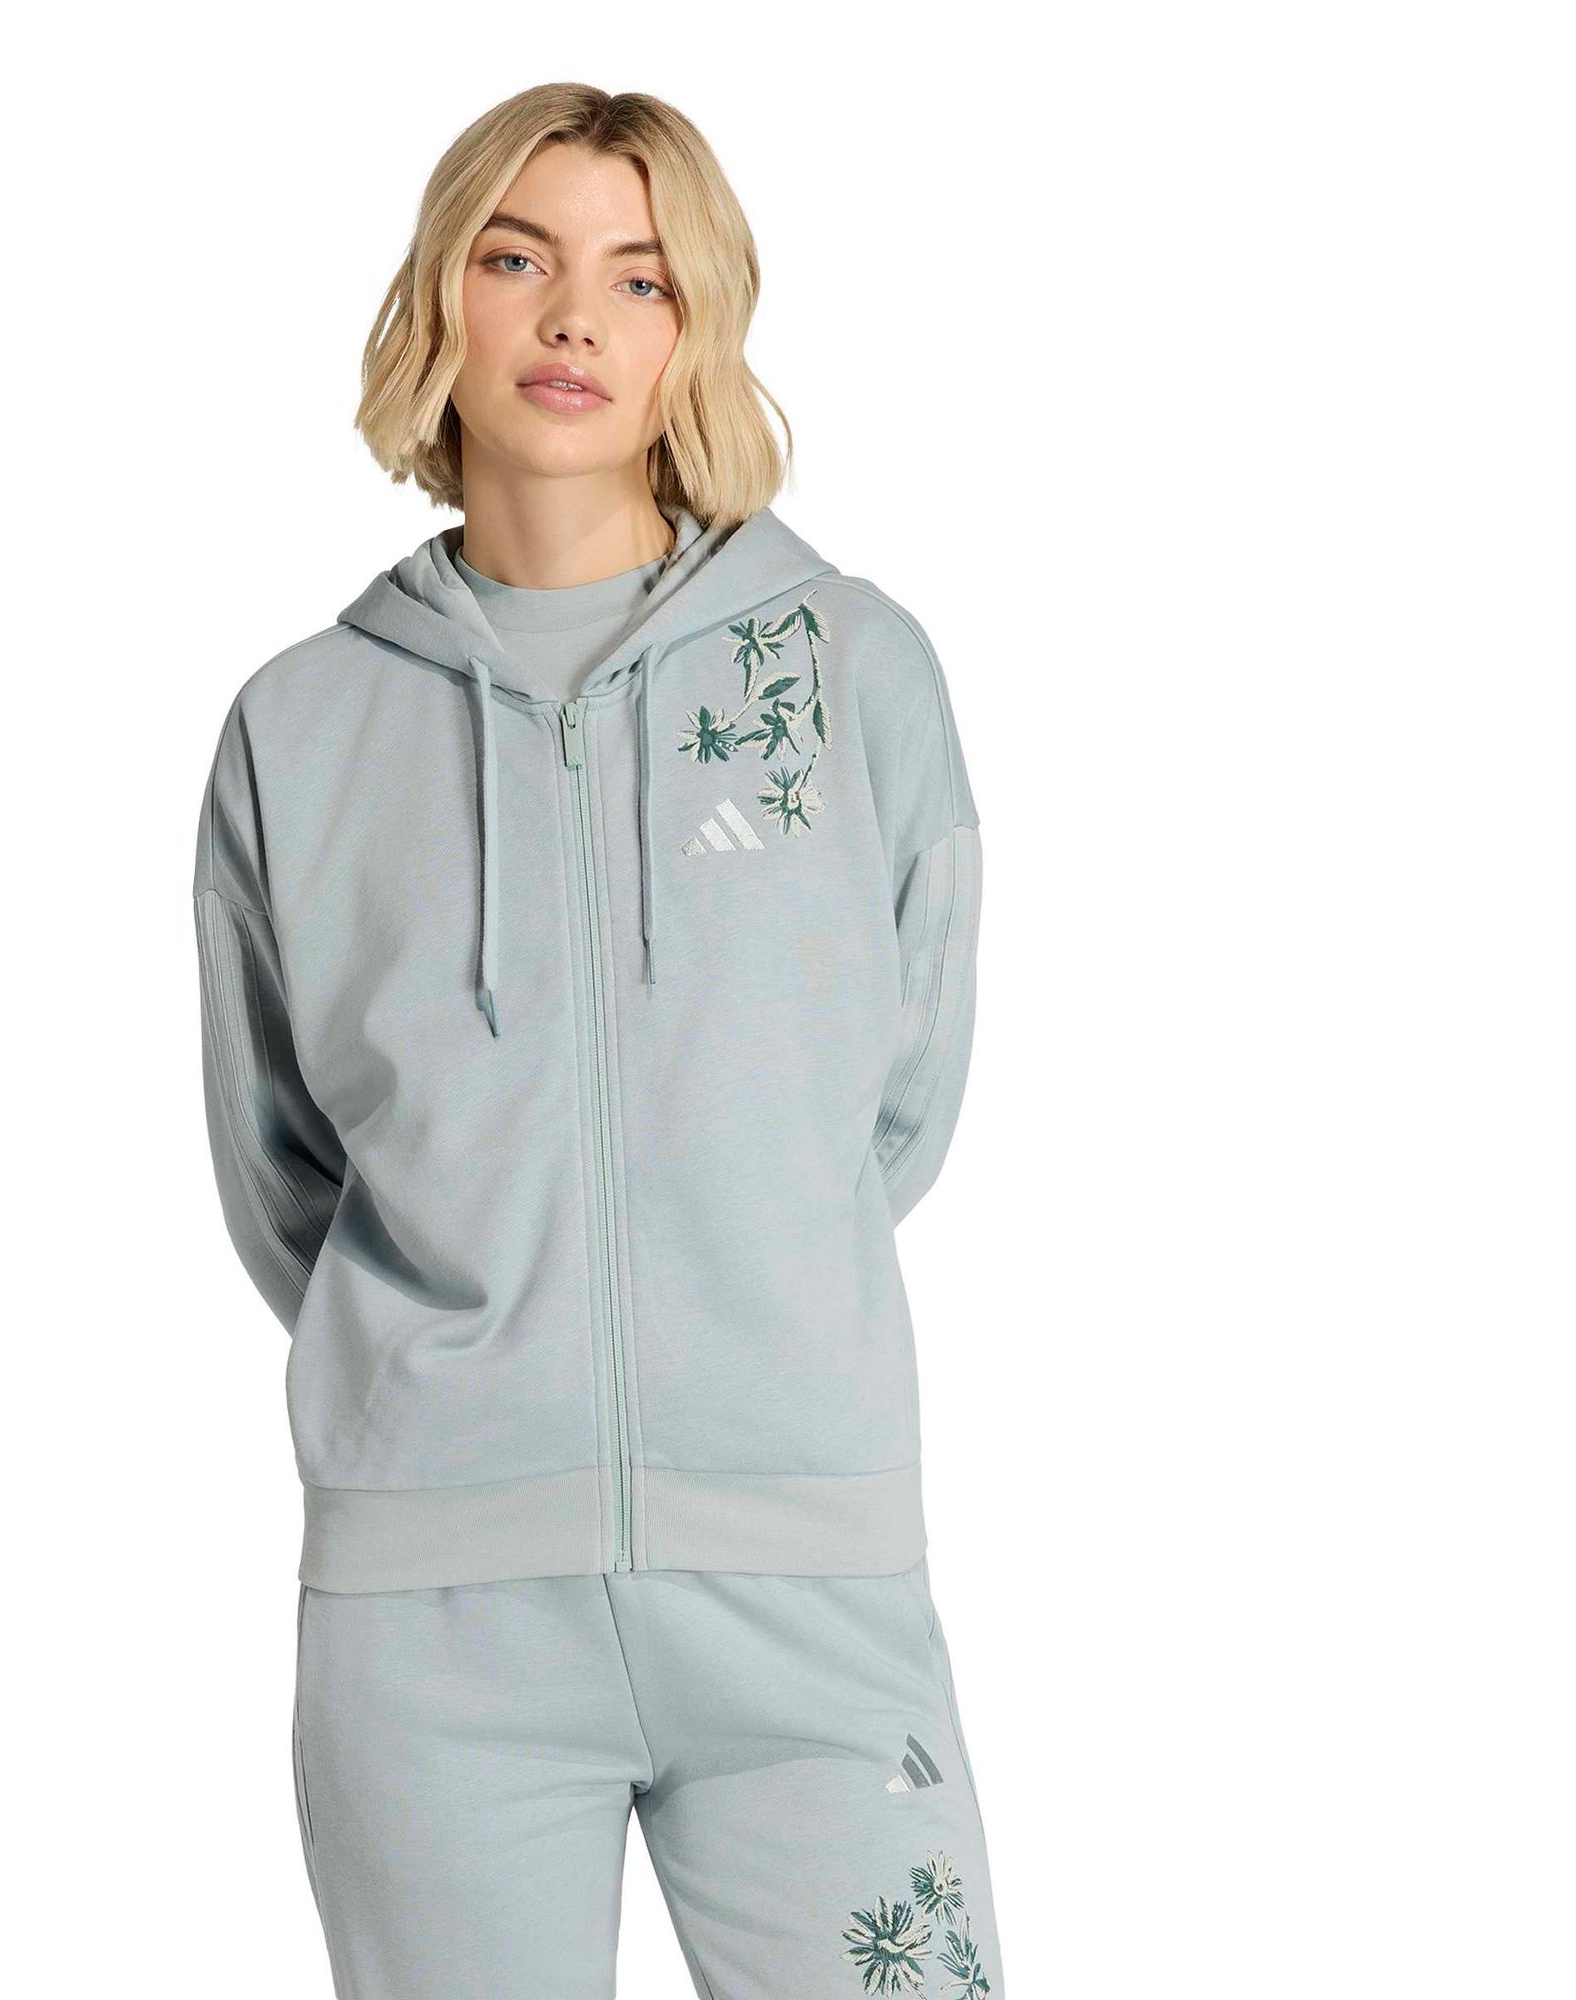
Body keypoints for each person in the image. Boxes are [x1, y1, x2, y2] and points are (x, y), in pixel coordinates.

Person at [192, 82, 1000, 2000]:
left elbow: (896, 1106)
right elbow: (282, 1165)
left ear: (698, 323)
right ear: (440, 299)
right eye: (518, 259)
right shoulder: (300, 727)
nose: (574, 319)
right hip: (434, 1627)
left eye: (640, 278)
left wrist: (742, 1298)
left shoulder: (851, 673)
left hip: (810, 1588)